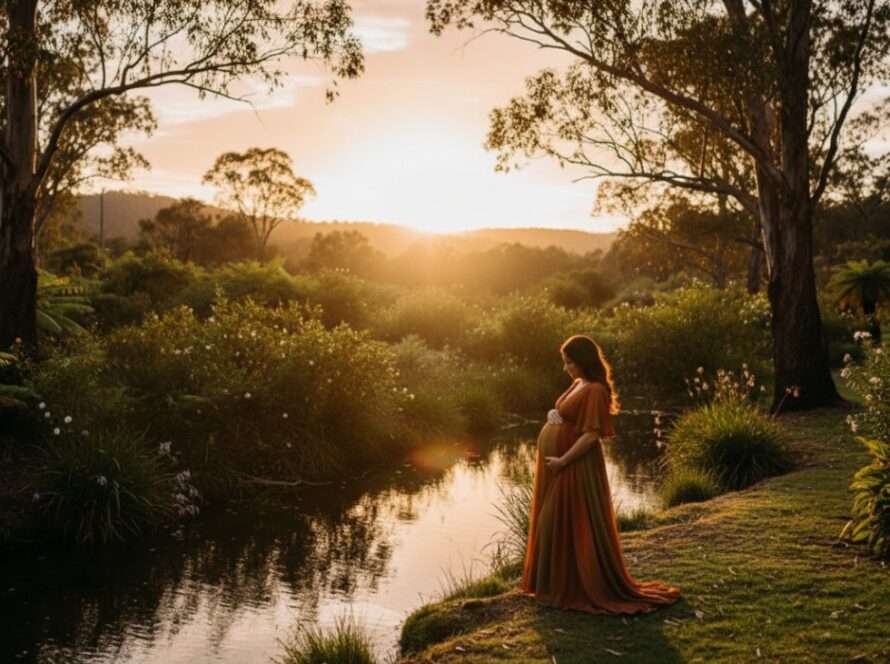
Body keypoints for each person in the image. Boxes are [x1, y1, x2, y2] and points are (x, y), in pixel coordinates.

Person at [521, 334, 681, 613]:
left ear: (583, 361)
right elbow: (564, 412)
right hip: (561, 464)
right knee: (560, 521)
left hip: (574, 465)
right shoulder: (579, 383)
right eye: (565, 362)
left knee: (564, 520)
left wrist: (563, 460)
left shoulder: (595, 390)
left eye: (570, 362)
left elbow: (591, 434)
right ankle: (558, 584)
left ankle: (575, 585)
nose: (566, 368)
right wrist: (551, 414)